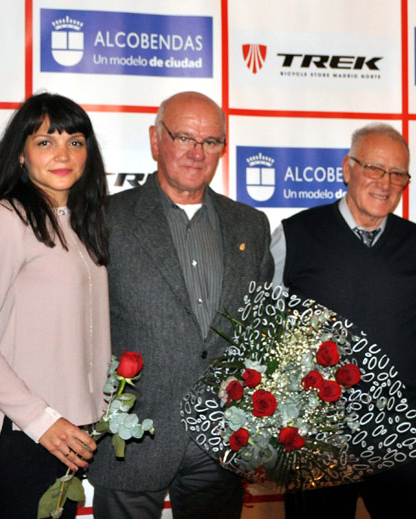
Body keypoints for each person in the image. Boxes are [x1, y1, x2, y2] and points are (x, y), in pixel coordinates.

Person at [87, 91, 273, 519]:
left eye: (211, 142)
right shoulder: (105, 217)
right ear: (156, 141)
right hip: (129, 439)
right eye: (184, 137)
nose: (197, 152)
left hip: (220, 440)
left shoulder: (251, 224)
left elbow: (258, 327)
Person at [272, 123, 416, 519]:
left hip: (401, 427)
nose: (385, 183)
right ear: (347, 168)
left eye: (397, 174)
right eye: (375, 168)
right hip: (319, 433)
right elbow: (264, 331)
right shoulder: (295, 234)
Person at [0, 92, 110, 519]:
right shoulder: (5, 218)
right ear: (20, 154)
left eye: (75, 142)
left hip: (66, 444)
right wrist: (42, 421)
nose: (63, 154)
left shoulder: (82, 227)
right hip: (16, 439)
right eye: (45, 142)